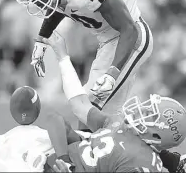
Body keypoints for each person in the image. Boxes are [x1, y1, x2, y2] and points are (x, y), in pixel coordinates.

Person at [11, 0, 153, 120]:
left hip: (130, 39)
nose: (39, 5)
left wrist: (112, 74)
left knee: (87, 109)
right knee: (104, 116)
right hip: (109, 40)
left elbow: (129, 29)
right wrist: (41, 41)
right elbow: (58, 5)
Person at [43, 31, 186, 173]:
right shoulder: (119, 124)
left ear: (157, 136)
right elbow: (80, 104)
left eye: (148, 113)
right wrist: (62, 56)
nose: (140, 110)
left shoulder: (144, 163)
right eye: (147, 107)